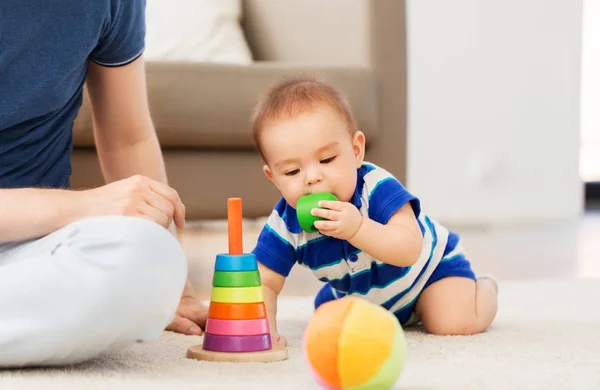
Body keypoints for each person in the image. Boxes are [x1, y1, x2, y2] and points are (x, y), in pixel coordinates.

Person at [0, 0, 207, 367]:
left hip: (31, 252)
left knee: (152, 255)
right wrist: (84, 205)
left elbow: (128, 138)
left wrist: (175, 290)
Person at [249, 75, 499, 346]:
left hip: (427, 273)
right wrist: (263, 332)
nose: (312, 177)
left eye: (327, 159)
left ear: (356, 150)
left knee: (452, 323)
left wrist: (357, 228)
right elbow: (265, 281)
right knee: (328, 329)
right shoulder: (286, 224)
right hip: (362, 295)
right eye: (292, 171)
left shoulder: (375, 187)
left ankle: (484, 288)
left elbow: (408, 249)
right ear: (273, 177)